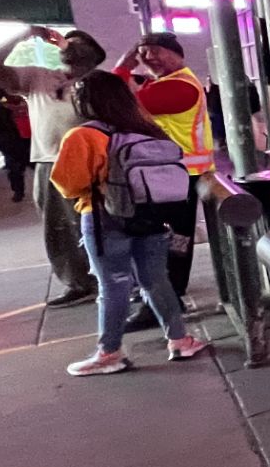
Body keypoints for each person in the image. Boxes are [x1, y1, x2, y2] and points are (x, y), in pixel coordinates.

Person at [50, 71, 209, 376]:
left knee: (113, 285)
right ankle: (181, 340)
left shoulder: (83, 136)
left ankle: (109, 353)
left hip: (105, 218)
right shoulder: (150, 130)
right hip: (152, 217)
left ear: (84, 101)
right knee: (156, 280)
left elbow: (68, 185)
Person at [0, 25, 105, 306]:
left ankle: (114, 279)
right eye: (65, 45)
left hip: (94, 161)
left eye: (76, 47)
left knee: (104, 225)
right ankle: (79, 282)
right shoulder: (37, 77)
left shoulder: (98, 82)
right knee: (59, 226)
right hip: (50, 161)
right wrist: (23, 34)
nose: (67, 50)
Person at [116, 32, 214, 328]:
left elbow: (118, 104)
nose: (148, 58)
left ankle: (166, 298)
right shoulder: (167, 83)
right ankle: (167, 295)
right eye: (143, 52)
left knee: (165, 241)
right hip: (175, 175)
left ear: (176, 54)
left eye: (155, 51)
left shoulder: (178, 87)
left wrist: (125, 64)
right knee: (174, 239)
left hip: (175, 177)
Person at [0, 87, 31, 202]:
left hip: (16, 138)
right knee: (19, 165)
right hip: (16, 138)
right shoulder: (1, 102)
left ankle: (18, 192)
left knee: (16, 166)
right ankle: (19, 191)